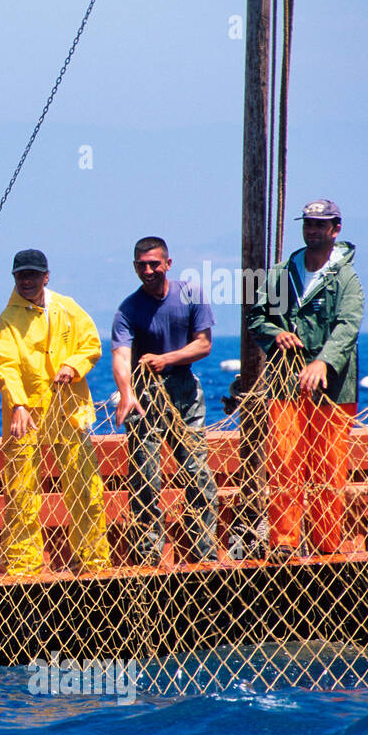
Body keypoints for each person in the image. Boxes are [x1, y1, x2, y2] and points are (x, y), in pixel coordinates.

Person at [249, 201, 363, 561]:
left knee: (329, 466)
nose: (312, 230)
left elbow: (348, 325)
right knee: (285, 461)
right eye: (308, 224)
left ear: (336, 229)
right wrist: (274, 334)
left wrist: (323, 363)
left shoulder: (346, 277)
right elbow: (257, 316)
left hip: (333, 389)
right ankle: (284, 542)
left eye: (320, 224)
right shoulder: (283, 273)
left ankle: (327, 546)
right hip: (285, 384)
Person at [0, 249, 109, 576]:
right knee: (20, 493)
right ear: (14, 278)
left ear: (46, 276)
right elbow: (4, 367)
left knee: (86, 487)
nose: (26, 281)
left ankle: (93, 563)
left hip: (68, 412)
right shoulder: (8, 319)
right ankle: (23, 568)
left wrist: (72, 366)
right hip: (25, 417)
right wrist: (18, 404)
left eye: (33, 275)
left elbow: (91, 345)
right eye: (20, 275)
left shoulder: (68, 308)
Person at [112, 236, 219, 565]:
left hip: (184, 391)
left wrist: (167, 359)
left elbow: (203, 345)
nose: (148, 270)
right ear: (134, 267)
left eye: (154, 264)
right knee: (145, 476)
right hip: (144, 395)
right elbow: (120, 355)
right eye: (142, 265)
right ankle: (148, 556)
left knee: (196, 472)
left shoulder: (190, 293)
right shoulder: (127, 309)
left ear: (168, 264)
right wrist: (126, 393)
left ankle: (205, 554)